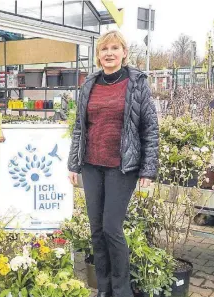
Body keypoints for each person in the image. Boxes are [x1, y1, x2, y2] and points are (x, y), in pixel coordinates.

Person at [67, 30, 159, 297]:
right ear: (98, 55)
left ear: (124, 53)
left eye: (114, 48)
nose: (109, 53)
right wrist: (74, 164)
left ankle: (121, 291)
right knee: (96, 231)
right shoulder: (89, 84)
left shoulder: (137, 83)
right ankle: (103, 289)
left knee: (111, 228)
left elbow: (150, 128)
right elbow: (79, 127)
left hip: (122, 167)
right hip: (92, 165)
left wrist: (148, 169)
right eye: (104, 49)